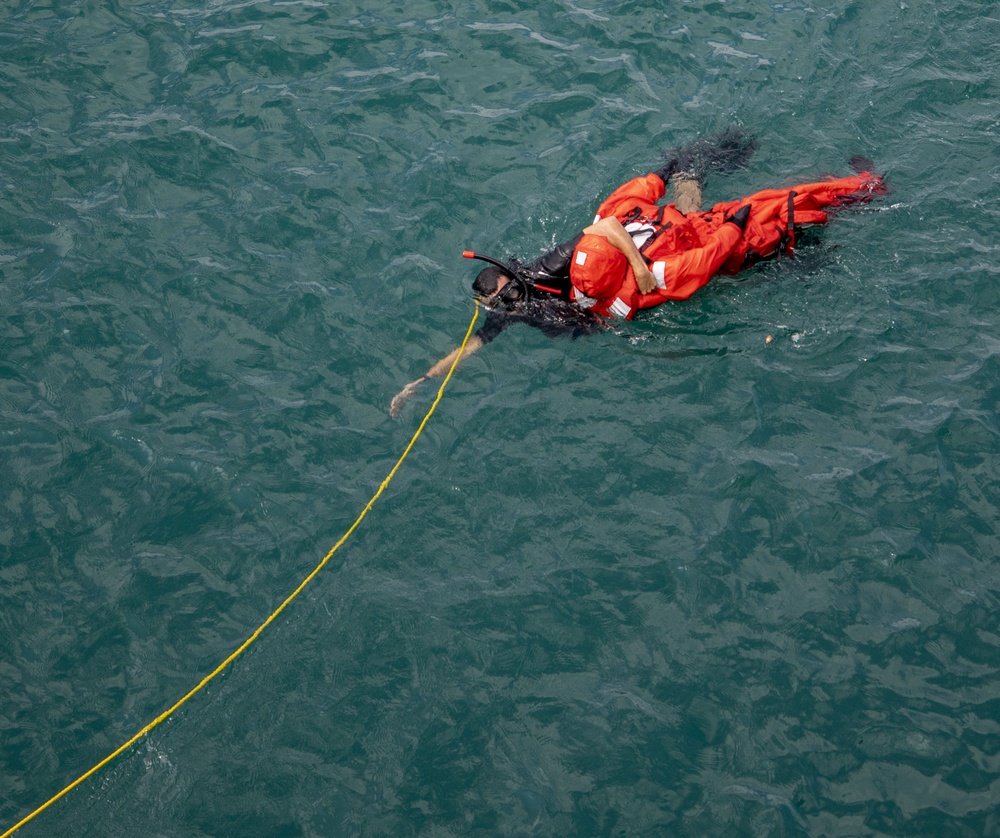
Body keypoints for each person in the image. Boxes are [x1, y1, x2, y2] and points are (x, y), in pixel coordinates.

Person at [390, 130, 886, 417]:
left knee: (727, 209)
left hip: (669, 253)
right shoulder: (538, 304)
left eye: (505, 298)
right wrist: (422, 380)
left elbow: (610, 229)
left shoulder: (560, 265)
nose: (509, 307)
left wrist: (649, 265)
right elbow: (471, 346)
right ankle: (845, 209)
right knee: (770, 228)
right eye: (501, 306)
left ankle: (709, 165)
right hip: (677, 261)